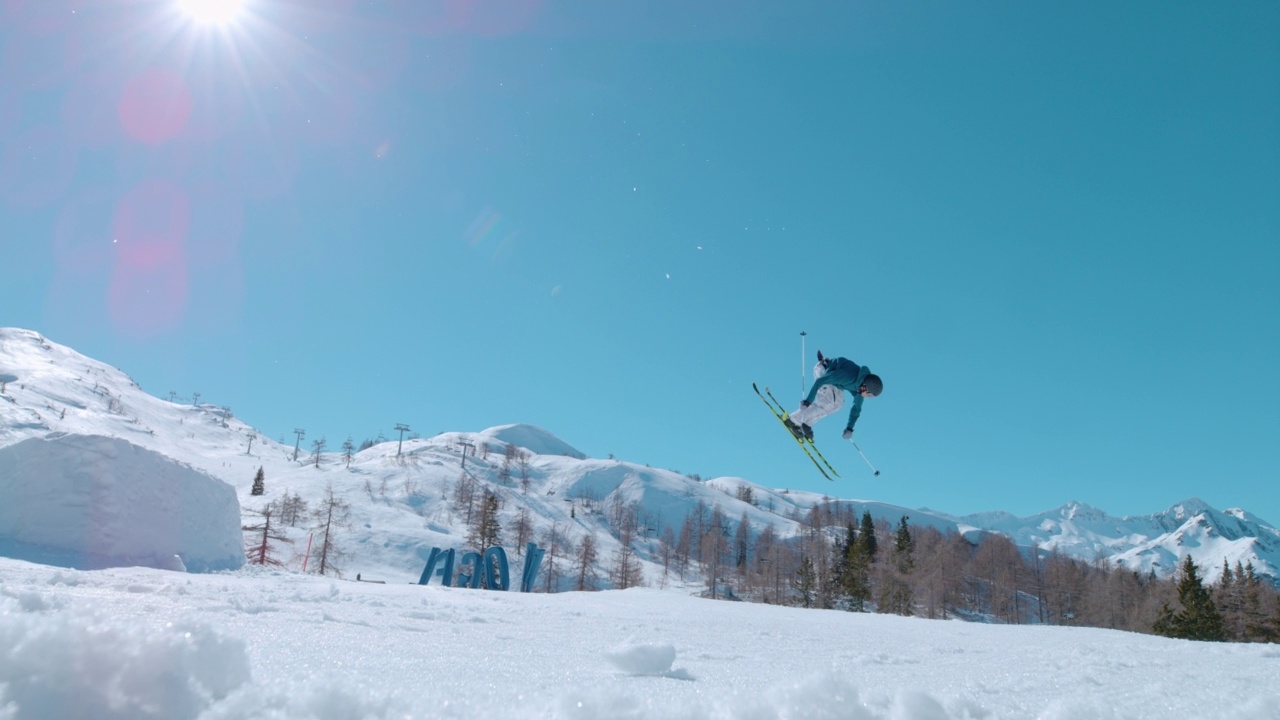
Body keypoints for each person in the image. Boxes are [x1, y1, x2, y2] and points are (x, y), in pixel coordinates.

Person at [784, 350, 882, 442]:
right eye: (869, 395)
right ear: (866, 387)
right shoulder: (848, 376)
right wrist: (808, 401)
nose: (867, 397)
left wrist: (849, 429)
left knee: (838, 405)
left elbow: (856, 409)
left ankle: (806, 423)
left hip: (834, 382)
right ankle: (793, 420)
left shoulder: (859, 390)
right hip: (823, 371)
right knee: (830, 402)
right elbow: (820, 381)